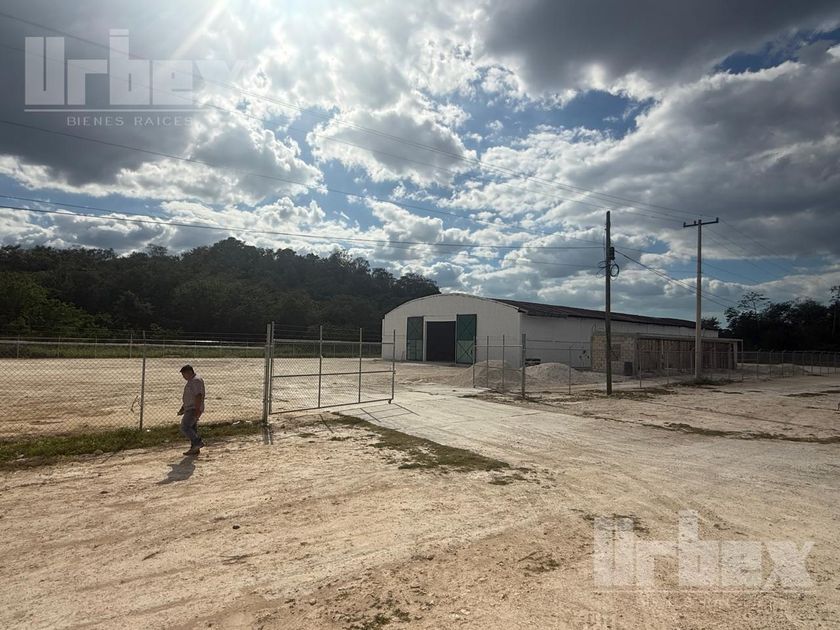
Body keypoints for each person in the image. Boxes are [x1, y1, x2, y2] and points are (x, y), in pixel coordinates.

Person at [177, 365, 205, 456]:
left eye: (184, 374)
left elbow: (198, 396)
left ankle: (197, 442)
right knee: (192, 428)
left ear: (189, 372)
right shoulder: (192, 381)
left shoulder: (195, 381)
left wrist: (197, 410)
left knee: (185, 427)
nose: (183, 377)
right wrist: (183, 408)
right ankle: (195, 449)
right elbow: (190, 397)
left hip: (193, 408)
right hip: (190, 407)